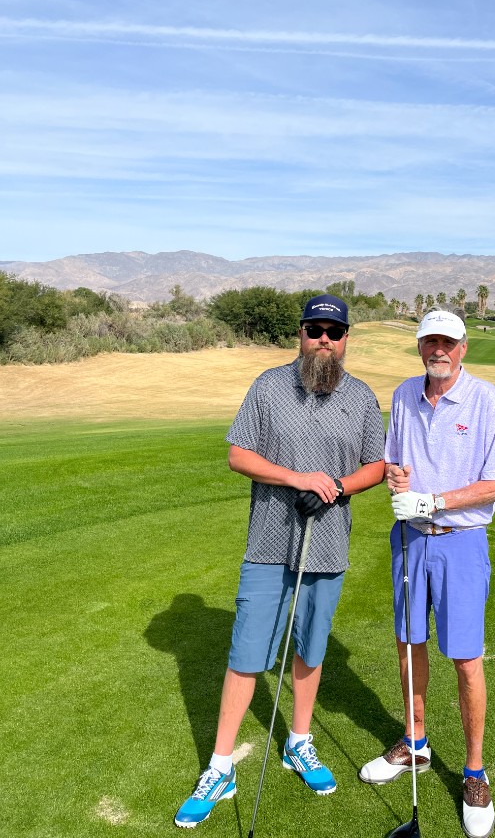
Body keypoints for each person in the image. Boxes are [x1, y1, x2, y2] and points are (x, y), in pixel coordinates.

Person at [174, 294, 385, 829]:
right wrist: (297, 478)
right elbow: (237, 454)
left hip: (328, 545)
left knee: (310, 649)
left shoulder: (360, 397)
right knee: (246, 653)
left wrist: (335, 486)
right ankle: (221, 768)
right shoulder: (268, 386)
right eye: (315, 329)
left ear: (345, 340)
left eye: (334, 332)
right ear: (300, 333)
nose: (324, 339)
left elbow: (378, 465)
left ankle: (299, 743)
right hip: (268, 545)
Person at [359, 308, 495, 838]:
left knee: (466, 659)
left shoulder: (485, 399)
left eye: (448, 343)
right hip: (408, 541)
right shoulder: (404, 394)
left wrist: (434, 500)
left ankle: (474, 772)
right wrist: (397, 479)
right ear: (420, 347)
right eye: (430, 342)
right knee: (409, 644)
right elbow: (393, 463)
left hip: (461, 543)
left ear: (463, 348)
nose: (438, 351)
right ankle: (416, 743)